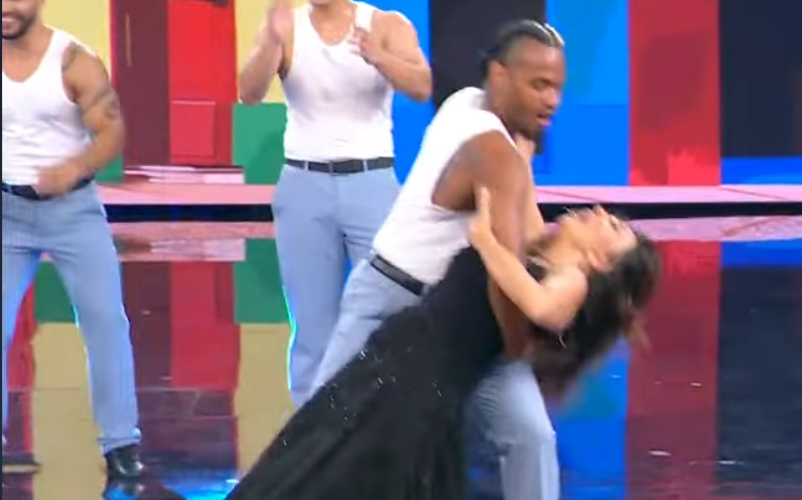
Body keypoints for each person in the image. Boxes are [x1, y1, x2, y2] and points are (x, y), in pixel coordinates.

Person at [226, 186, 661, 499]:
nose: (600, 211)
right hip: (397, 354)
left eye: (613, 226)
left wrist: (486, 243)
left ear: (601, 262)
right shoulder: (535, 249)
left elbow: (543, 308)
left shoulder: (571, 280)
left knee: (352, 469)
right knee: (322, 453)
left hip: (424, 384)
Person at [305, 19, 567, 500]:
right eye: (539, 85)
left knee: (530, 436)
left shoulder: (467, 102)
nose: (553, 100)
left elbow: (527, 224)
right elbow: (508, 279)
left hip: (456, 318)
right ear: (500, 75)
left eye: (557, 87)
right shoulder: (494, 153)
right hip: (391, 300)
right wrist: (519, 347)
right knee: (320, 437)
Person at [237, 0, 432, 407]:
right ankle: (311, 433)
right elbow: (249, 93)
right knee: (312, 325)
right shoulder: (287, 29)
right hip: (304, 185)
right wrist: (270, 41)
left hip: (372, 184)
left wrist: (380, 57)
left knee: (387, 314)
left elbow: (423, 86)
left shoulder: (384, 24)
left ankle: (384, 425)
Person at [1, 0, 142, 478]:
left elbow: (111, 131)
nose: (4, 7)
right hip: (7, 212)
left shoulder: (73, 60)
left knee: (106, 323)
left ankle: (121, 443)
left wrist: (73, 168)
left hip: (73, 211)